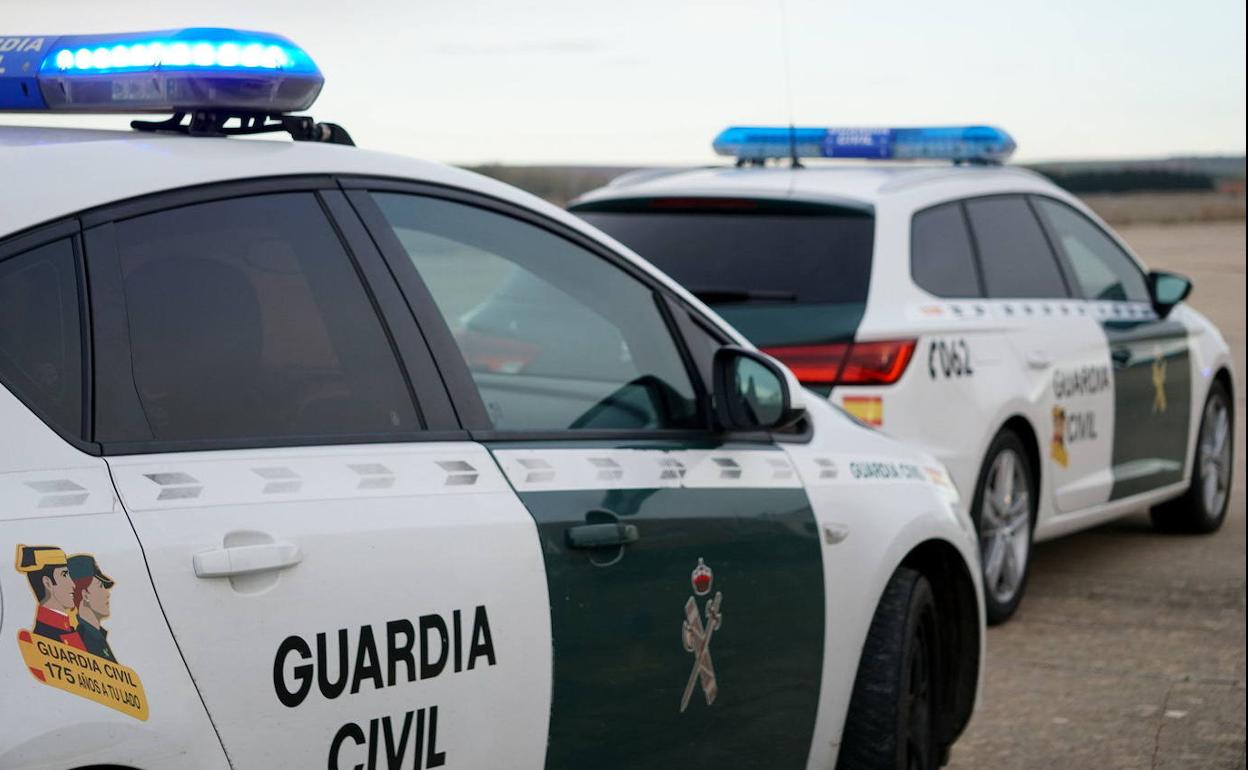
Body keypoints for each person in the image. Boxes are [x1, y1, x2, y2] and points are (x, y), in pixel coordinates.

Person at [15, 545, 86, 651]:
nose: (73, 584)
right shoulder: (46, 636)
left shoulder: (65, 628)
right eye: (64, 575)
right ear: (47, 583)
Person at [68, 554, 117, 662]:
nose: (107, 594)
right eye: (101, 586)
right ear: (85, 595)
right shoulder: (87, 641)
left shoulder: (96, 637)